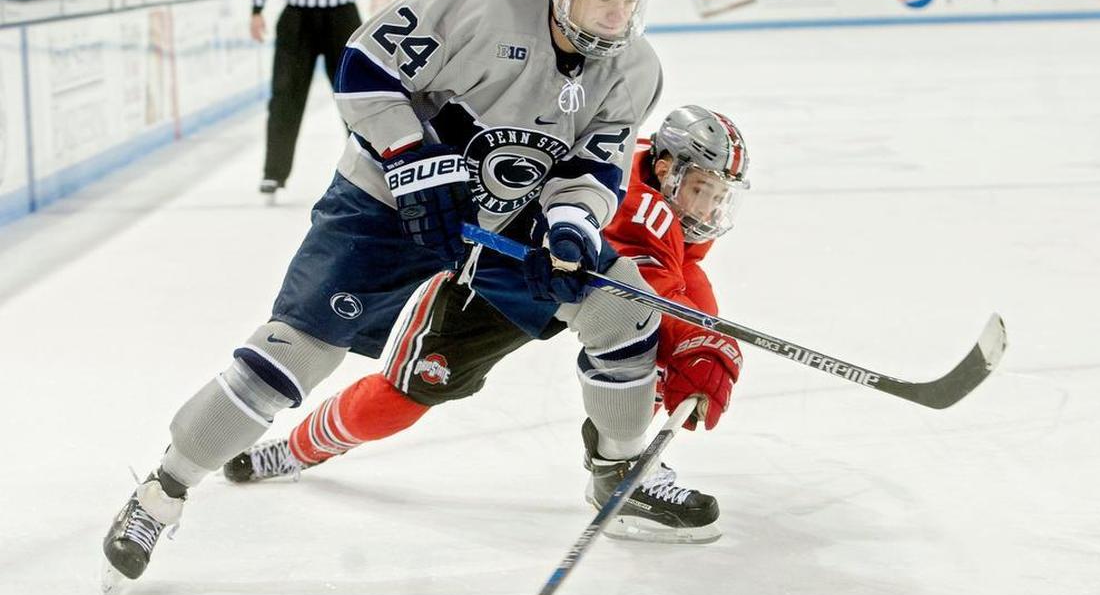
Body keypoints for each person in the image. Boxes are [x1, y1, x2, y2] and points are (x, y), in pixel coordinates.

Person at [101, 0, 663, 587]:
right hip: (387, 202)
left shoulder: (635, 67)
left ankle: (619, 470)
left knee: (623, 307)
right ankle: (163, 491)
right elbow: (366, 67)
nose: (616, 14)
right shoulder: (475, 2)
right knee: (295, 353)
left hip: (509, 215)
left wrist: (571, 224)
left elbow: (593, 168)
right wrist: (412, 159)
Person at [224, 105, 751, 544]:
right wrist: (702, 342)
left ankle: (622, 470)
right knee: (403, 397)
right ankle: (292, 451)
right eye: (701, 188)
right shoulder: (641, 208)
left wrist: (706, 340)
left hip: (580, 285)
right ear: (664, 166)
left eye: (718, 194)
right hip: (501, 284)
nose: (708, 208)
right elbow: (657, 286)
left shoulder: (661, 189)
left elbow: (682, 271)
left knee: (641, 347)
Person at [251, 0, 369, 201]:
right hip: (298, 18)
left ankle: (368, 168)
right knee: (285, 94)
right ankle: (274, 172)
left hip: (342, 15)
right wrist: (257, 8)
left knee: (355, 95)